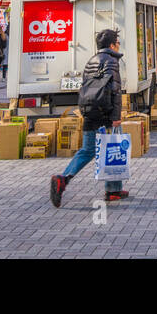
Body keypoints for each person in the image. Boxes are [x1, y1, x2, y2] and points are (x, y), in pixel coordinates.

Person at [50, 29, 126, 207]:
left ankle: (65, 178)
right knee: (112, 150)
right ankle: (111, 190)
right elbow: (115, 91)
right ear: (112, 45)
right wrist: (115, 116)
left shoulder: (91, 60)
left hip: (89, 111)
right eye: (117, 41)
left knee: (87, 150)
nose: (119, 44)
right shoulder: (112, 61)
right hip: (105, 113)